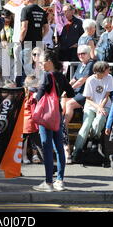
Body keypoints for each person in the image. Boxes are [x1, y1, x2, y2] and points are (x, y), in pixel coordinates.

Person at [32, 49, 74, 192]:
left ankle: (48, 182)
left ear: (49, 62)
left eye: (42, 62)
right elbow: (71, 92)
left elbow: (39, 95)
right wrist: (60, 96)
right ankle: (60, 181)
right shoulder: (61, 76)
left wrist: (34, 97)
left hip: (46, 116)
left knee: (47, 148)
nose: (41, 65)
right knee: (59, 147)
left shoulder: (46, 76)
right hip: (58, 114)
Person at [72, 61, 113, 162]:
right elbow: (88, 99)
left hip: (104, 105)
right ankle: (76, 151)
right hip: (91, 106)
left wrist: (100, 107)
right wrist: (97, 107)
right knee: (86, 126)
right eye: (107, 69)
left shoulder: (109, 77)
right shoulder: (90, 80)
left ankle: (92, 137)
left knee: (98, 121)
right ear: (100, 71)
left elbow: (106, 95)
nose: (109, 71)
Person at [63, 45, 94, 163]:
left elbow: (82, 81)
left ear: (88, 54)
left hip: (86, 93)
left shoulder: (91, 64)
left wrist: (69, 89)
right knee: (63, 100)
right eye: (79, 54)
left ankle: (64, 124)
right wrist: (66, 88)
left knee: (70, 103)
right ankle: (62, 124)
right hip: (77, 92)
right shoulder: (81, 64)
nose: (80, 56)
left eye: (83, 54)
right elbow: (74, 79)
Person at [22, 75, 43, 164]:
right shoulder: (34, 95)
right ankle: (50, 166)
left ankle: (13, 169)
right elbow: (35, 110)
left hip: (23, 123)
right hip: (31, 123)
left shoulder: (23, 94)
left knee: (20, 146)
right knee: (40, 146)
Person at [0, 9, 15, 83]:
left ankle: (12, 86)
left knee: (12, 70)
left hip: (12, 50)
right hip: (2, 50)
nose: (6, 20)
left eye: (7, 17)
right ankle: (5, 87)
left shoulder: (13, 27)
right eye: (3, 18)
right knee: (4, 71)